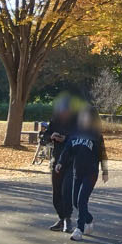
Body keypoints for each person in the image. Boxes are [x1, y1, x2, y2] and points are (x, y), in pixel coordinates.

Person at [55, 108, 109, 241]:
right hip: (77, 173)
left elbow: (103, 154)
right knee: (76, 203)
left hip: (91, 173)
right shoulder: (75, 134)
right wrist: (60, 162)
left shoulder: (96, 136)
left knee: (81, 200)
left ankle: (79, 229)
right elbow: (67, 150)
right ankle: (89, 220)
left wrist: (105, 171)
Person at [43, 96, 77, 231]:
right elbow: (44, 137)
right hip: (56, 160)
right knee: (56, 193)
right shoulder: (55, 121)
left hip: (70, 162)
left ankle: (68, 219)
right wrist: (51, 137)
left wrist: (66, 139)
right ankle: (61, 218)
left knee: (66, 191)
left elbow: (80, 137)